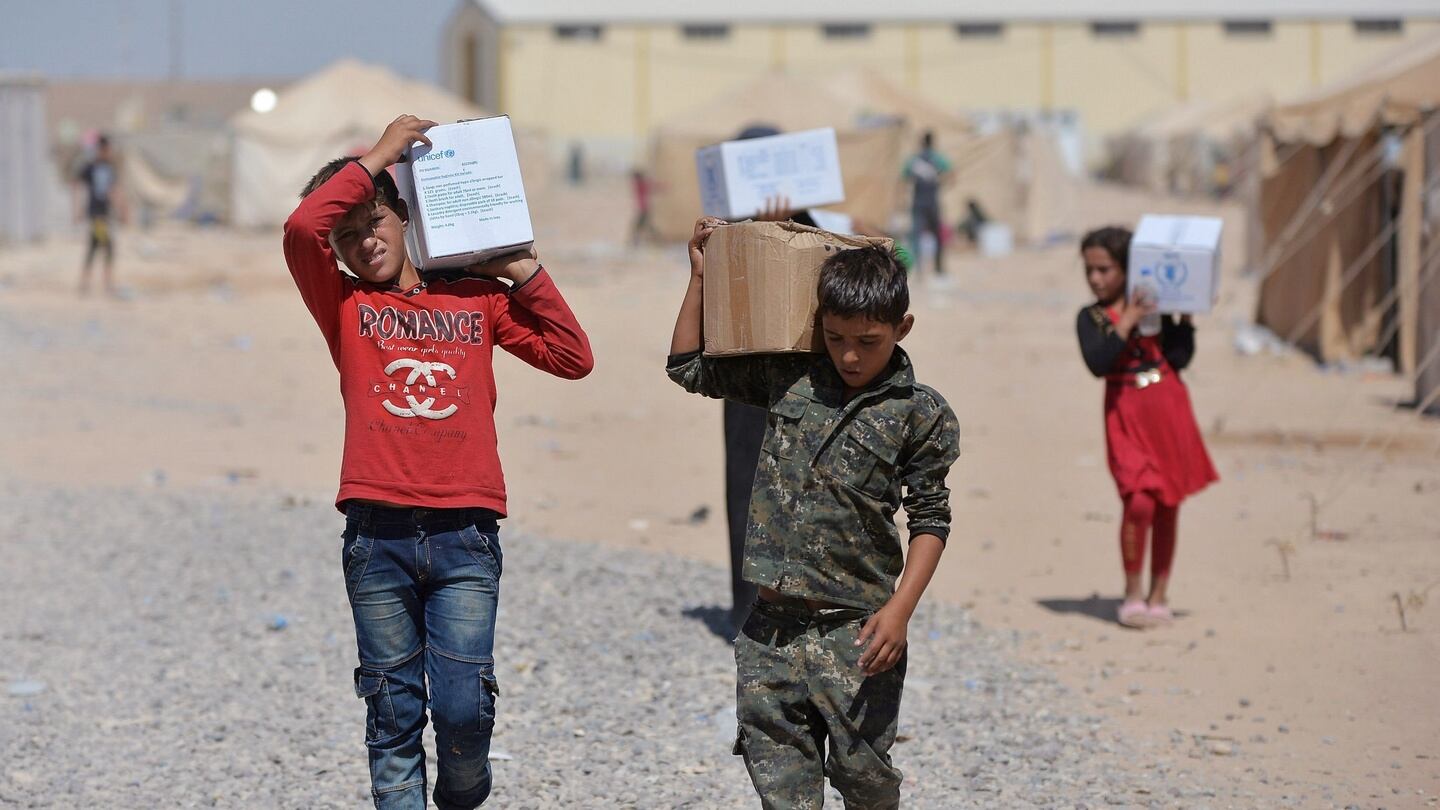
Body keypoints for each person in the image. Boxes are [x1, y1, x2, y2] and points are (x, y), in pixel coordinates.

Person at [283, 114, 594, 809]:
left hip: (465, 535)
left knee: (461, 714)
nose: (366, 242)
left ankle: (464, 789)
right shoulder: (343, 303)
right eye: (349, 234)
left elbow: (573, 358)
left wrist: (521, 270)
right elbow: (301, 229)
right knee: (392, 714)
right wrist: (381, 154)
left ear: (405, 216)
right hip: (376, 535)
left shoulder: (476, 297)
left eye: (377, 221)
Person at [667, 218, 960, 807]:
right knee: (782, 788)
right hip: (770, 631)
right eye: (834, 337)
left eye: (868, 342)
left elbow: (931, 520)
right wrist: (700, 278)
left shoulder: (919, 414)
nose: (850, 355)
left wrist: (900, 611)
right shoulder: (790, 379)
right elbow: (689, 368)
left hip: (858, 634)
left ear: (902, 327)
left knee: (865, 780)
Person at [1075, 226, 1218, 629]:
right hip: (1124, 411)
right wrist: (1128, 322)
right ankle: (1133, 592)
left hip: (1167, 405)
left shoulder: (1158, 308)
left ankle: (1159, 595)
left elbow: (1179, 357)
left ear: (1127, 269)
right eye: (1090, 270)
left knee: (1167, 503)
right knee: (1138, 500)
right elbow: (1097, 362)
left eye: (1104, 270)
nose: (1096, 279)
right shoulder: (1092, 317)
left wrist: (1185, 315)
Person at [75, 134, 124, 296]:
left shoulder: (109, 168)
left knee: (94, 246)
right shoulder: (91, 167)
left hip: (103, 213)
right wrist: (78, 208)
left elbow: (113, 191)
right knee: (107, 246)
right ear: (102, 149)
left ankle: (85, 283)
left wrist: (120, 209)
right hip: (97, 215)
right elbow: (77, 185)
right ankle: (106, 283)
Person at [902, 130, 952, 279]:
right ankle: (939, 268)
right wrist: (939, 182)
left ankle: (918, 270)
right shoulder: (938, 159)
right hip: (932, 202)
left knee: (916, 236)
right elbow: (950, 173)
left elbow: (904, 177)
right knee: (937, 235)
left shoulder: (914, 160)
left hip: (918, 202)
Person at [629, 168, 659, 246]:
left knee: (639, 227)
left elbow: (653, 187)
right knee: (647, 227)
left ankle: (635, 243)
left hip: (644, 209)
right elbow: (652, 186)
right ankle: (658, 240)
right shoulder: (640, 184)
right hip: (643, 209)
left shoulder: (640, 184)